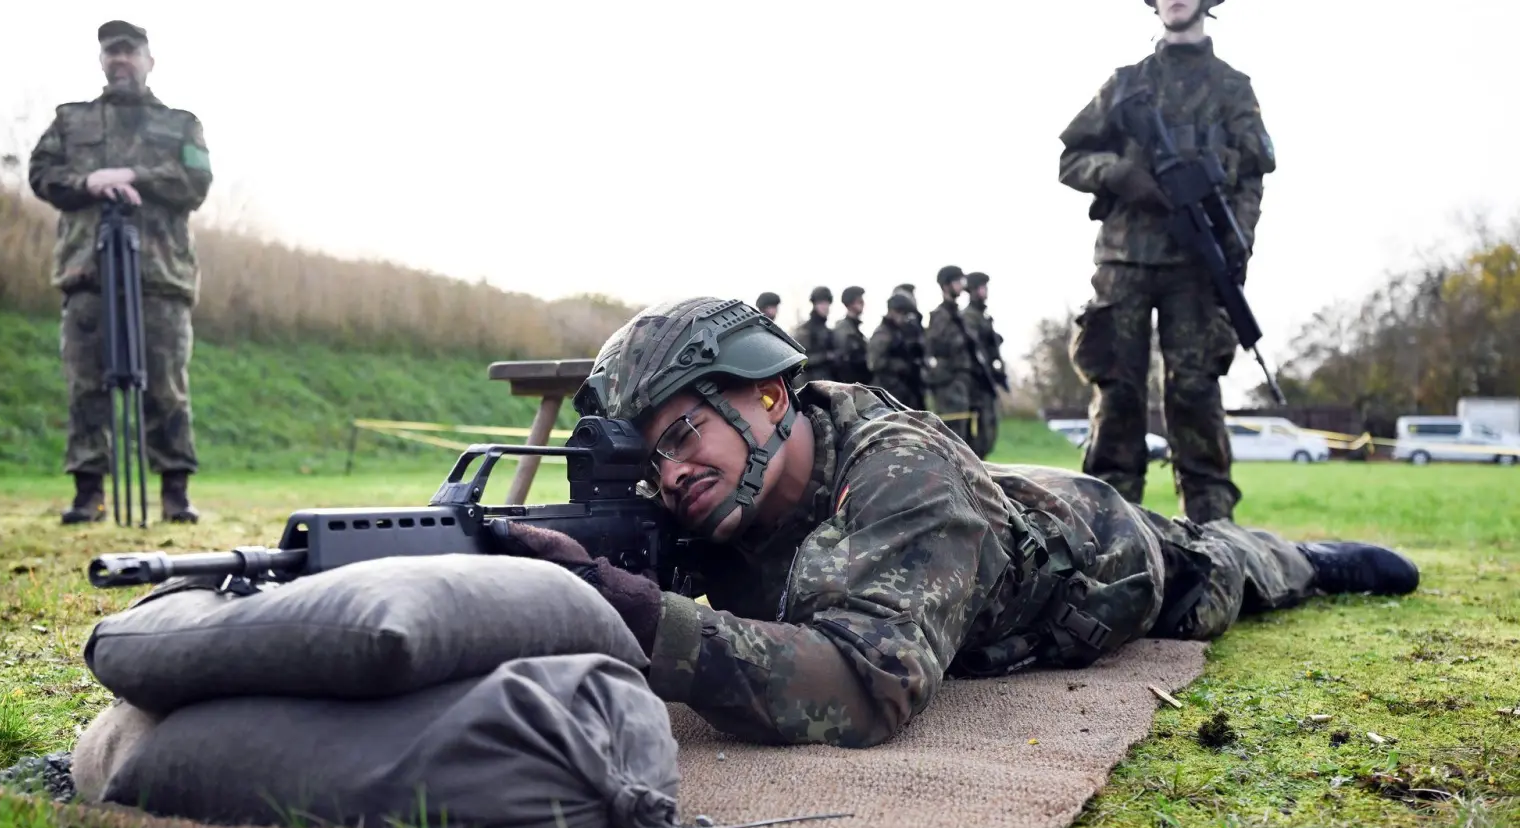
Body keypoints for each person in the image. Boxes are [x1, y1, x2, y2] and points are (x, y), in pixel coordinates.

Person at [494, 297, 1419, 749]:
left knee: (1214, 570)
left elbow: (864, 687)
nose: (672, 472)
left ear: (771, 393)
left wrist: (650, 620)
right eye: (650, 456)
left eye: (686, 431)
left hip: (1093, 561)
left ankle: (1304, 558)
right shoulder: (712, 495)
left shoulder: (906, 478)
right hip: (979, 513)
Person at [1056, 0, 1274, 524]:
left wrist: (1237, 240)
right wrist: (1118, 174)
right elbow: (1070, 159)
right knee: (1118, 394)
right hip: (1125, 261)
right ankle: (1108, 532)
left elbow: (1252, 174)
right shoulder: (1125, 84)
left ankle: (1213, 531)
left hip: (1197, 265)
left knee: (1196, 393)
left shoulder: (1233, 87)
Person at [28, 19, 213, 525]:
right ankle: (89, 494)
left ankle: (176, 493)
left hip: (160, 274)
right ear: (102, 61)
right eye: (112, 52)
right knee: (86, 384)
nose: (121, 60)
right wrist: (90, 180)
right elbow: (41, 174)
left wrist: (133, 175)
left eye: (130, 51)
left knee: (167, 386)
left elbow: (196, 181)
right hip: (87, 270)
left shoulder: (181, 123)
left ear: (149, 60)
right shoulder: (71, 120)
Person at [923, 266, 979, 453]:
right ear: (946, 286)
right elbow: (936, 346)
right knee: (952, 435)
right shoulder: (940, 315)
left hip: (962, 381)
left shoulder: (959, 315)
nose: (961, 286)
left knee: (964, 435)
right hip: (948, 382)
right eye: (957, 282)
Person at [962, 271, 1009, 457]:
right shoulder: (969, 317)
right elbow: (973, 349)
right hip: (976, 385)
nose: (985, 291)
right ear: (972, 290)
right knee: (979, 436)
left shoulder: (984, 316)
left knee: (990, 433)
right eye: (982, 287)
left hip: (986, 383)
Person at [865, 291, 926, 410]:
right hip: (887, 392)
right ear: (892, 311)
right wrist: (899, 365)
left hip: (903, 390)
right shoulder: (882, 334)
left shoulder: (900, 332)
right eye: (901, 313)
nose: (904, 318)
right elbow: (873, 363)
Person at [792, 286, 837, 383]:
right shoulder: (805, 330)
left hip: (827, 382)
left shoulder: (828, 330)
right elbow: (800, 360)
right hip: (809, 383)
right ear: (814, 304)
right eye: (821, 303)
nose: (825, 307)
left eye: (827, 303)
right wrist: (825, 356)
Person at [830, 286, 872, 385]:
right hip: (850, 386)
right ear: (850, 303)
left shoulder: (855, 329)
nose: (863, 303)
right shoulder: (843, 329)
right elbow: (843, 361)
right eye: (859, 300)